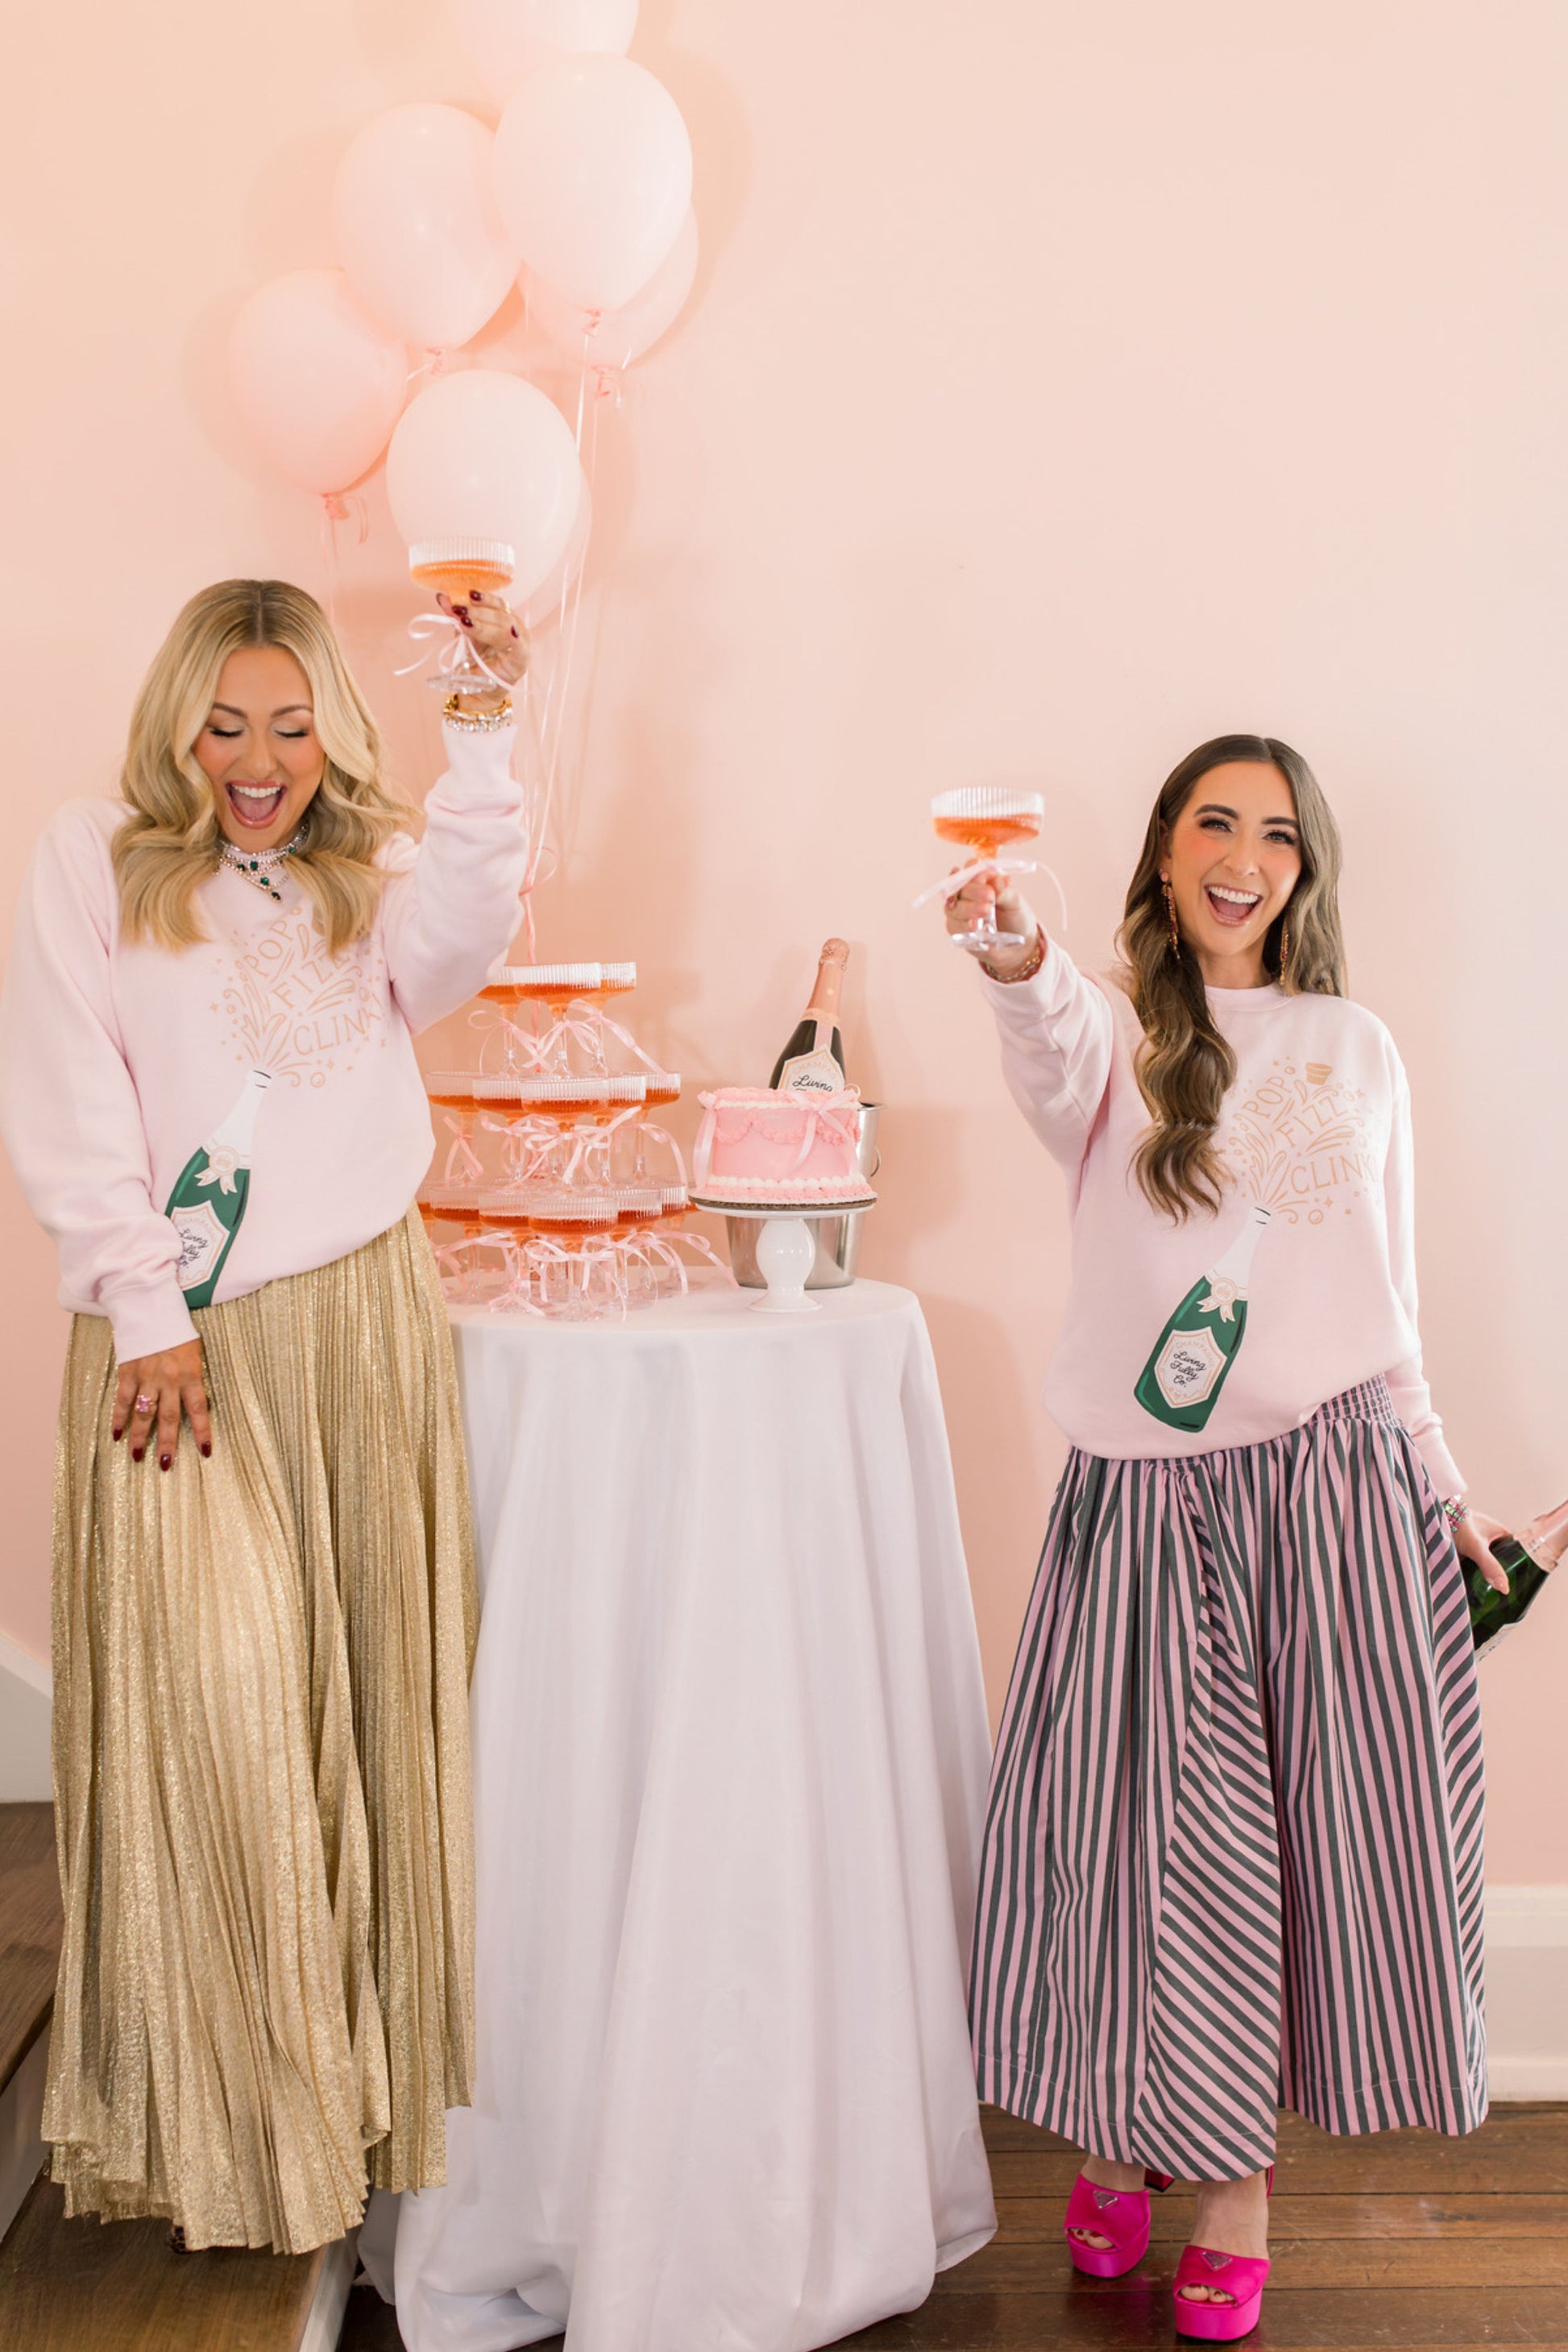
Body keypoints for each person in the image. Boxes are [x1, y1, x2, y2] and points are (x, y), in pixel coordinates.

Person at [950, 736, 1507, 2342]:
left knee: (1282, 1857)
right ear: (1166, 850)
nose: (1242, 855)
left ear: (1305, 869)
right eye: (1214, 822)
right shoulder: (1120, 1039)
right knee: (1136, 1843)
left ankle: (1235, 2182)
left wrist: (1445, 1482)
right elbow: (1043, 1028)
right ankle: (1127, 2129)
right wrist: (1004, 938)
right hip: (1144, 1499)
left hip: (1326, 1491)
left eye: (1275, 832)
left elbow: (1384, 1301)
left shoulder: (1354, 1046)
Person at [0, 578, 529, 2254]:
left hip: (360, 1326)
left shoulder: (363, 883)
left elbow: (466, 935)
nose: (257, 760)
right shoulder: (92, 857)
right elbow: (68, 1077)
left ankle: (346, 2112)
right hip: (181, 1347)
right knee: (208, 1717)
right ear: (176, 722)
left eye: (290, 725)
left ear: (329, 733)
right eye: (225, 724)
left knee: (352, 1716)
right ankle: (236, 2136)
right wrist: (142, 1304)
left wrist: (486, 733)